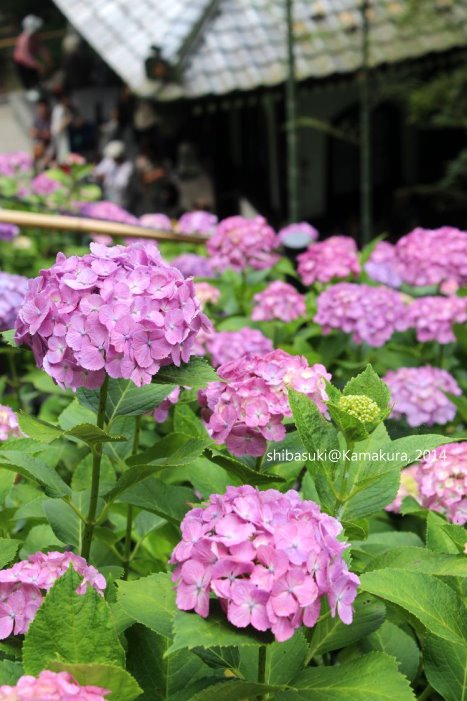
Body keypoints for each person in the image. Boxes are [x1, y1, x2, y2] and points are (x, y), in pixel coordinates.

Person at [13, 16, 50, 93]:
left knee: (39, 82)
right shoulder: (24, 39)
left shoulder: (35, 36)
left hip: (29, 62)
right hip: (22, 64)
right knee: (31, 85)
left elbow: (40, 47)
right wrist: (37, 65)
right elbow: (25, 56)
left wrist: (47, 58)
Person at [94, 140, 133, 208]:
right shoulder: (109, 161)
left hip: (120, 201)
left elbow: (122, 184)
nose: (113, 159)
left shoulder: (128, 166)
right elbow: (96, 172)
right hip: (106, 197)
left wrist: (106, 178)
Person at [30, 98, 51, 169]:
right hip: (39, 146)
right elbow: (32, 132)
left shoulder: (50, 118)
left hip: (49, 147)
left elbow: (49, 135)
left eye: (43, 107)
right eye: (40, 107)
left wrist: (38, 133)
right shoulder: (37, 118)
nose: (42, 109)